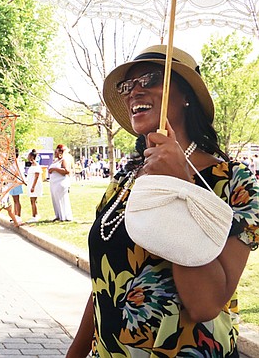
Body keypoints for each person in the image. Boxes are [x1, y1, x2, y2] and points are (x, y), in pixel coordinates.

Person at [67, 45, 259, 357]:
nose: (134, 92)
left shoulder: (234, 183)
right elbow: (105, 285)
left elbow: (205, 305)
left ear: (186, 97)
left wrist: (179, 186)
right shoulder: (123, 182)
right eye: (127, 86)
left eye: (150, 79)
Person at [47, 144, 73, 222]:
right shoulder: (55, 160)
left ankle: (64, 216)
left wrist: (55, 169)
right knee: (55, 199)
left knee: (62, 199)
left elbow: (66, 171)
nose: (56, 152)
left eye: (57, 150)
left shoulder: (64, 160)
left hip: (61, 182)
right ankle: (58, 215)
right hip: (54, 183)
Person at [25, 150, 42, 223]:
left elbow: (36, 176)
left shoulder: (36, 166)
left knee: (33, 201)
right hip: (31, 184)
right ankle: (35, 214)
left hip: (34, 185)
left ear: (32, 157)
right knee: (32, 200)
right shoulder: (32, 165)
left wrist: (33, 186)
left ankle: (35, 215)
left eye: (29, 156)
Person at [9, 148, 24, 218]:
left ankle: (18, 215)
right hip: (12, 183)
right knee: (14, 200)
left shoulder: (17, 162)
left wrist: (13, 177)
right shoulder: (12, 163)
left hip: (16, 183)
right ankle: (15, 215)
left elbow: (17, 173)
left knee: (17, 200)